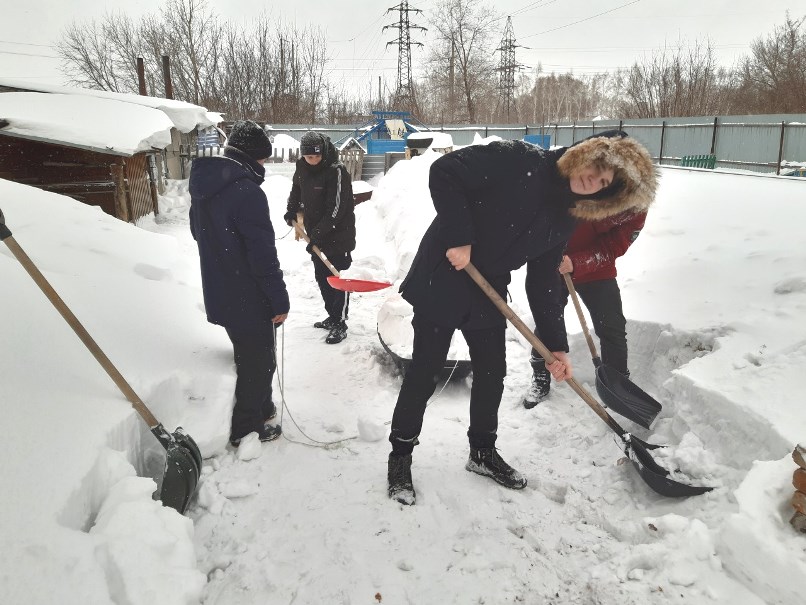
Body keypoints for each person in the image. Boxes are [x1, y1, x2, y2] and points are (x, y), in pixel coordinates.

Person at [387, 131, 658, 505]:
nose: (591, 180)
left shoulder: (567, 218)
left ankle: (482, 451)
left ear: (606, 195)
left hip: (488, 288)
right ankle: (400, 455)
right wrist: (460, 235)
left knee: (492, 372)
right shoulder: (520, 159)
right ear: (582, 155)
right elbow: (445, 171)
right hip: (444, 274)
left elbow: (545, 279)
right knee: (424, 370)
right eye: (594, 168)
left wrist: (556, 347)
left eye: (603, 182)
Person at [189, 120, 289, 447]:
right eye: (263, 159)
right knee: (257, 365)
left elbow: (198, 233)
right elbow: (262, 255)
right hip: (250, 296)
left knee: (252, 357)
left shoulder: (205, 187)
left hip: (221, 289)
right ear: (250, 157)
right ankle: (246, 431)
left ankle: (263, 407)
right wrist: (278, 299)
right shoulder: (247, 192)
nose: (264, 166)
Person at [523, 207, 647, 408]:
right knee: (547, 322)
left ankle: (618, 386)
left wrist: (579, 262)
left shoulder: (636, 201)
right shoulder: (574, 178)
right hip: (553, 261)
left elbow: (617, 243)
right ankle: (540, 376)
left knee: (612, 327)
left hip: (598, 267)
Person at [284, 131, 356, 345]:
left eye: (316, 157)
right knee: (322, 277)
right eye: (308, 157)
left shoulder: (337, 171)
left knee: (336, 278)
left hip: (338, 233)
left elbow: (337, 208)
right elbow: (296, 190)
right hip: (316, 233)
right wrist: (291, 210)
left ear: (323, 153)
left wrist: (317, 234)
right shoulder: (302, 167)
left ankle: (340, 322)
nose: (312, 161)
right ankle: (332, 316)